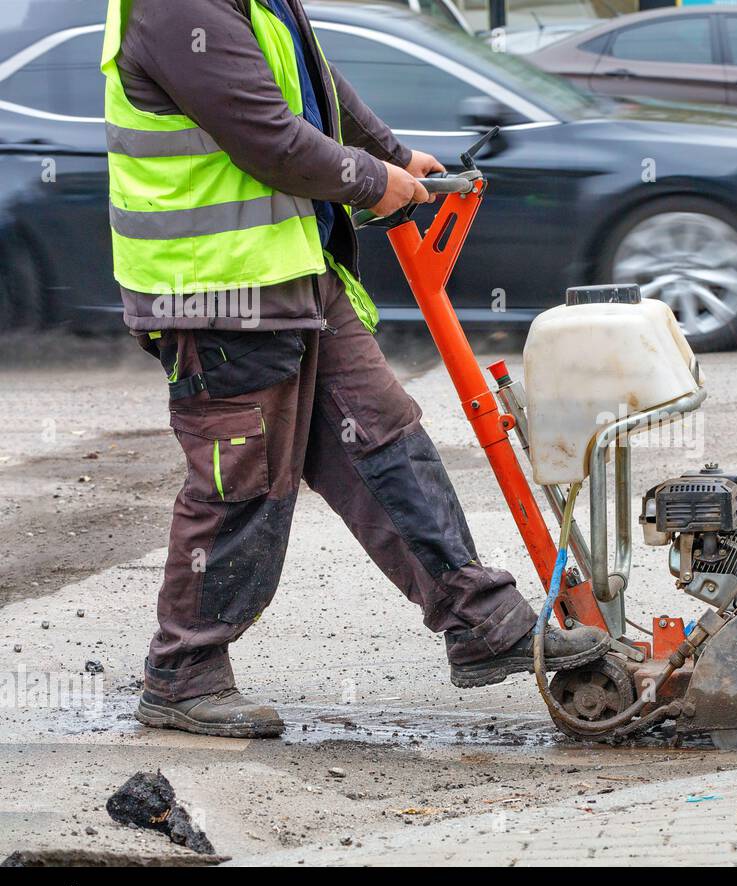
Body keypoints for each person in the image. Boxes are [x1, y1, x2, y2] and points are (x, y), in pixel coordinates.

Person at [102, 0, 608, 739]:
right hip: (213, 292)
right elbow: (267, 137)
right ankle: (183, 673)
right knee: (240, 485)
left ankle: (482, 620)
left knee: (386, 439)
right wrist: (374, 180)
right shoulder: (177, 7)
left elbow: (316, 83)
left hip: (294, 273)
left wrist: (393, 155)